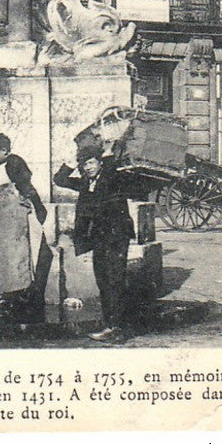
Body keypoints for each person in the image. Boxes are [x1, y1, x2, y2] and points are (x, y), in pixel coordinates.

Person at [53, 140, 135, 342]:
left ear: (100, 163)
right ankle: (111, 324)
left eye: (91, 163)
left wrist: (106, 149)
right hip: (99, 239)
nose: (87, 168)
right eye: (84, 165)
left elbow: (112, 164)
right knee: (103, 281)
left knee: (114, 280)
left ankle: (116, 328)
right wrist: (73, 161)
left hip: (116, 237)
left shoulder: (111, 177)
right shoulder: (85, 183)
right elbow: (60, 179)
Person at [0, 133, 53, 319]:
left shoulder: (14, 163)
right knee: (7, 258)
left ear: (4, 150)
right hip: (8, 221)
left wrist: (39, 208)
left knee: (18, 258)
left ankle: (19, 297)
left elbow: (27, 188)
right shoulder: (4, 166)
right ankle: (10, 296)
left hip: (18, 221)